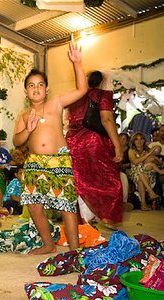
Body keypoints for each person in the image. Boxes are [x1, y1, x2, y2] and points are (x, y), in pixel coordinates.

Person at [13, 41, 87, 255]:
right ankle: (48, 244)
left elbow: (82, 89)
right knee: (35, 206)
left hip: (59, 160)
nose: (36, 88)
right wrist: (27, 129)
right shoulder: (24, 115)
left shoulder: (56, 103)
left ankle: (74, 249)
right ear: (26, 91)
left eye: (40, 84)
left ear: (46, 88)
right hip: (35, 162)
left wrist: (77, 63)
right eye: (31, 85)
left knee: (66, 205)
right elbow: (17, 142)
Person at [65, 71, 123, 226]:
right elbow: (107, 119)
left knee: (80, 181)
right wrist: (118, 146)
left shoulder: (74, 97)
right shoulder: (103, 94)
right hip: (94, 143)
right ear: (101, 82)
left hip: (72, 143)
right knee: (109, 180)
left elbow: (67, 121)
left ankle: (84, 219)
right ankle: (106, 217)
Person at [128, 132, 162, 210]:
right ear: (133, 141)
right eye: (136, 139)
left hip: (148, 173)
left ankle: (143, 204)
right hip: (135, 172)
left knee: (141, 175)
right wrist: (148, 155)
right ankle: (150, 193)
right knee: (140, 173)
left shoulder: (148, 149)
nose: (139, 141)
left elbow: (155, 159)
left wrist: (153, 158)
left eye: (141, 139)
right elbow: (135, 162)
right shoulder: (131, 150)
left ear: (144, 141)